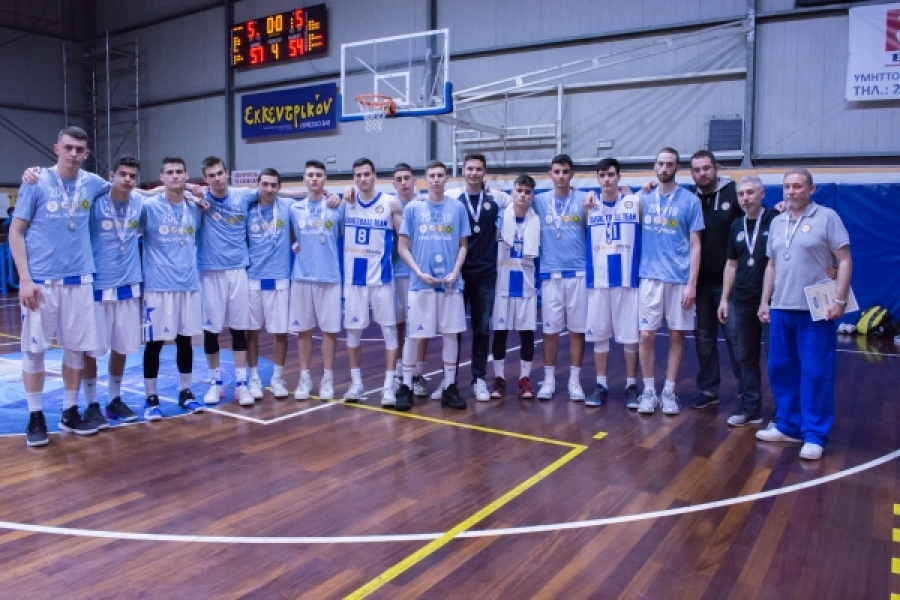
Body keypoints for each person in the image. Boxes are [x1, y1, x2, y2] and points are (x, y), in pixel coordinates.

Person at [10, 126, 110, 446]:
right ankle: (35, 415)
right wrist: (25, 279)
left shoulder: (92, 183)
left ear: (86, 154)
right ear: (57, 149)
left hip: (80, 280)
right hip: (42, 282)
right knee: (34, 350)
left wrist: (182, 188)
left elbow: (129, 188)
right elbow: (16, 232)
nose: (73, 154)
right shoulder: (35, 181)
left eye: (80, 150)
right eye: (68, 148)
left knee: (76, 350)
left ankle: (69, 411)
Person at [756, 168, 852, 461]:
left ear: (811, 189)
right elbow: (771, 266)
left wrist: (839, 299)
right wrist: (765, 301)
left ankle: (814, 434)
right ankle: (788, 425)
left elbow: (844, 260)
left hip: (815, 309)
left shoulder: (827, 217)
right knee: (780, 369)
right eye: (787, 186)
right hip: (781, 307)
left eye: (798, 186)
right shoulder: (777, 222)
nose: (791, 191)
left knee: (815, 372)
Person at [396, 160, 470, 410]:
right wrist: (418, 272)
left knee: (450, 335)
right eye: (432, 175)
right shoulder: (413, 209)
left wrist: (455, 271)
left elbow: (463, 245)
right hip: (421, 284)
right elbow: (402, 247)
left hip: (450, 284)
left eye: (440, 175)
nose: (436, 179)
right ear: (425, 179)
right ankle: (406, 385)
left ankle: (449, 386)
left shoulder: (457, 208)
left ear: (446, 179)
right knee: (413, 336)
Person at [637, 147, 704, 415]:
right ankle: (648, 390)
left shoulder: (690, 201)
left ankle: (669, 391)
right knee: (646, 335)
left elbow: (696, 244)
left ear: (677, 168)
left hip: (679, 278)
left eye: (670, 164)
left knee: (677, 334)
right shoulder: (643, 198)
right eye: (661, 164)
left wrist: (692, 283)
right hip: (650, 277)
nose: (664, 168)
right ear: (655, 166)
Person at [81, 156, 146, 427]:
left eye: (132, 176)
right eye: (123, 174)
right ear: (112, 175)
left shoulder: (139, 202)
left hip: (129, 285)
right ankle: (91, 403)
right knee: (90, 349)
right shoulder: (95, 201)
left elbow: (162, 193)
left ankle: (114, 399)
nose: (127, 180)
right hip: (98, 285)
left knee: (122, 346)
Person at [139, 157, 205, 420]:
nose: (175, 176)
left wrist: (195, 194)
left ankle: (185, 391)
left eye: (179, 172)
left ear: (186, 176)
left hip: (187, 284)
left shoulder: (195, 208)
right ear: (162, 177)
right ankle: (151, 397)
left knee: (185, 341)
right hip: (158, 286)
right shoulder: (148, 207)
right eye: (170, 172)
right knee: (154, 343)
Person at [342, 158, 403, 408]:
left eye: (366, 174)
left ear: (374, 175)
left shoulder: (390, 203)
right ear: (354, 178)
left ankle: (389, 385)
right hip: (354, 280)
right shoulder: (345, 202)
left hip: (381, 278)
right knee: (353, 333)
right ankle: (356, 384)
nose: (362, 179)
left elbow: (404, 237)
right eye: (358, 175)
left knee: (389, 331)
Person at [582, 158, 642, 408]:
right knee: (600, 336)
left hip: (628, 278)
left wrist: (646, 187)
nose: (606, 179)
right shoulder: (589, 205)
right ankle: (601, 384)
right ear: (597, 178)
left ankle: (631, 385)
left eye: (611, 174)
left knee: (631, 337)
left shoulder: (635, 202)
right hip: (598, 279)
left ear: (619, 176)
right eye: (602, 175)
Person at [717, 175, 776, 426]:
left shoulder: (776, 220)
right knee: (746, 356)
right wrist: (724, 299)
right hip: (741, 300)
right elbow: (731, 265)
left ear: (762, 194)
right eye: (741, 194)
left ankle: (782, 413)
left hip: (771, 302)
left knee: (775, 358)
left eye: (750, 192)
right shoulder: (736, 226)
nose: (745, 198)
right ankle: (750, 408)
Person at [444, 153, 503, 402]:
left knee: (481, 329)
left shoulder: (497, 199)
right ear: (463, 171)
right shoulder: (452, 199)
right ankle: (450, 382)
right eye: (470, 168)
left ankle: (479, 379)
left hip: (486, 274)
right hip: (458, 273)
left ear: (484, 172)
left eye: (478, 169)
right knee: (454, 329)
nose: (474, 173)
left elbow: (524, 197)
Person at [687, 150, 744, 410]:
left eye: (706, 168)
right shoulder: (688, 198)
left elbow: (756, 221)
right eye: (697, 170)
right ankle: (709, 389)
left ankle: (747, 394)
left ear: (716, 168)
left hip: (729, 284)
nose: (702, 174)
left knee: (736, 339)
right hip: (700, 284)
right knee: (704, 339)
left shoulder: (735, 194)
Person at [196, 156, 255, 407]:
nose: (217, 179)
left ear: (227, 172)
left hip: (238, 270)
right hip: (210, 272)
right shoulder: (199, 199)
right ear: (205, 178)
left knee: (239, 329)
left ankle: (241, 384)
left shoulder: (243, 195)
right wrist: (190, 188)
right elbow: (164, 188)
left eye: (220, 173)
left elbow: (273, 190)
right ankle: (215, 383)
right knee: (211, 330)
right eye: (211, 175)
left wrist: (328, 193)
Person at [532, 154, 588, 401]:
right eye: (557, 171)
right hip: (550, 274)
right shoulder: (539, 201)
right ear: (550, 174)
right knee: (550, 331)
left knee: (577, 331)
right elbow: (515, 200)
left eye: (565, 172)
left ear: (572, 174)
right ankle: (549, 380)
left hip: (578, 273)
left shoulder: (584, 199)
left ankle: (574, 381)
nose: (561, 176)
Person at [288, 160, 345, 401]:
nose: (314, 179)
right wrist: (296, 247)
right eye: (310, 175)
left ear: (325, 179)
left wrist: (338, 196)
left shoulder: (337, 207)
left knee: (329, 332)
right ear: (304, 179)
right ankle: (304, 378)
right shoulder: (294, 208)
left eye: (319, 175)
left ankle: (328, 379)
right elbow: (291, 235)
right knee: (304, 331)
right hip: (301, 277)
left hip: (329, 277)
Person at [490, 174, 539, 399]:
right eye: (519, 191)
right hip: (502, 284)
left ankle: (524, 379)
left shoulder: (536, 220)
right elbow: (482, 193)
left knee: (526, 334)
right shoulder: (499, 218)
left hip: (526, 285)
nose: (523, 195)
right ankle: (499, 379)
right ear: (512, 193)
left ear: (532, 196)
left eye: (527, 192)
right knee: (500, 334)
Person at [245, 168, 292, 400]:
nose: (269, 189)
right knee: (251, 332)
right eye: (265, 184)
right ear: (258, 185)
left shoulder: (287, 207)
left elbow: (308, 196)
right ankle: (254, 378)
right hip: (253, 278)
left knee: (280, 332)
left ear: (280, 187)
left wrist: (330, 194)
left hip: (279, 277)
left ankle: (277, 378)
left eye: (274, 185)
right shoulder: (247, 209)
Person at [390, 164, 430, 397]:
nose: (404, 182)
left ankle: (418, 372)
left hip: (420, 273)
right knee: (399, 324)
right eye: (399, 179)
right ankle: (398, 372)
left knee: (421, 325)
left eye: (407, 178)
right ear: (394, 183)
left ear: (415, 181)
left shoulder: (426, 204)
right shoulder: (389, 205)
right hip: (397, 272)